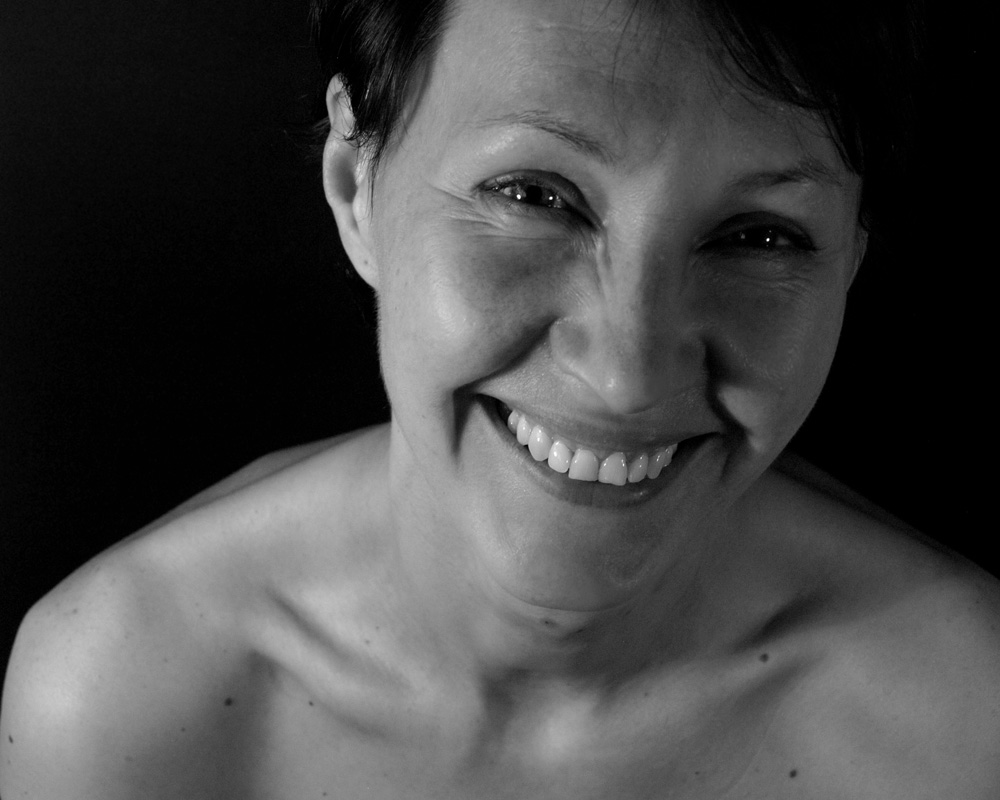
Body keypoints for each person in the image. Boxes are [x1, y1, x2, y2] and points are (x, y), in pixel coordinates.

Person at [2, 0, 998, 797]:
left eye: (760, 236)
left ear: (851, 260)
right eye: (534, 195)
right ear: (356, 185)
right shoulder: (120, 696)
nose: (628, 374)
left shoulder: (967, 722)